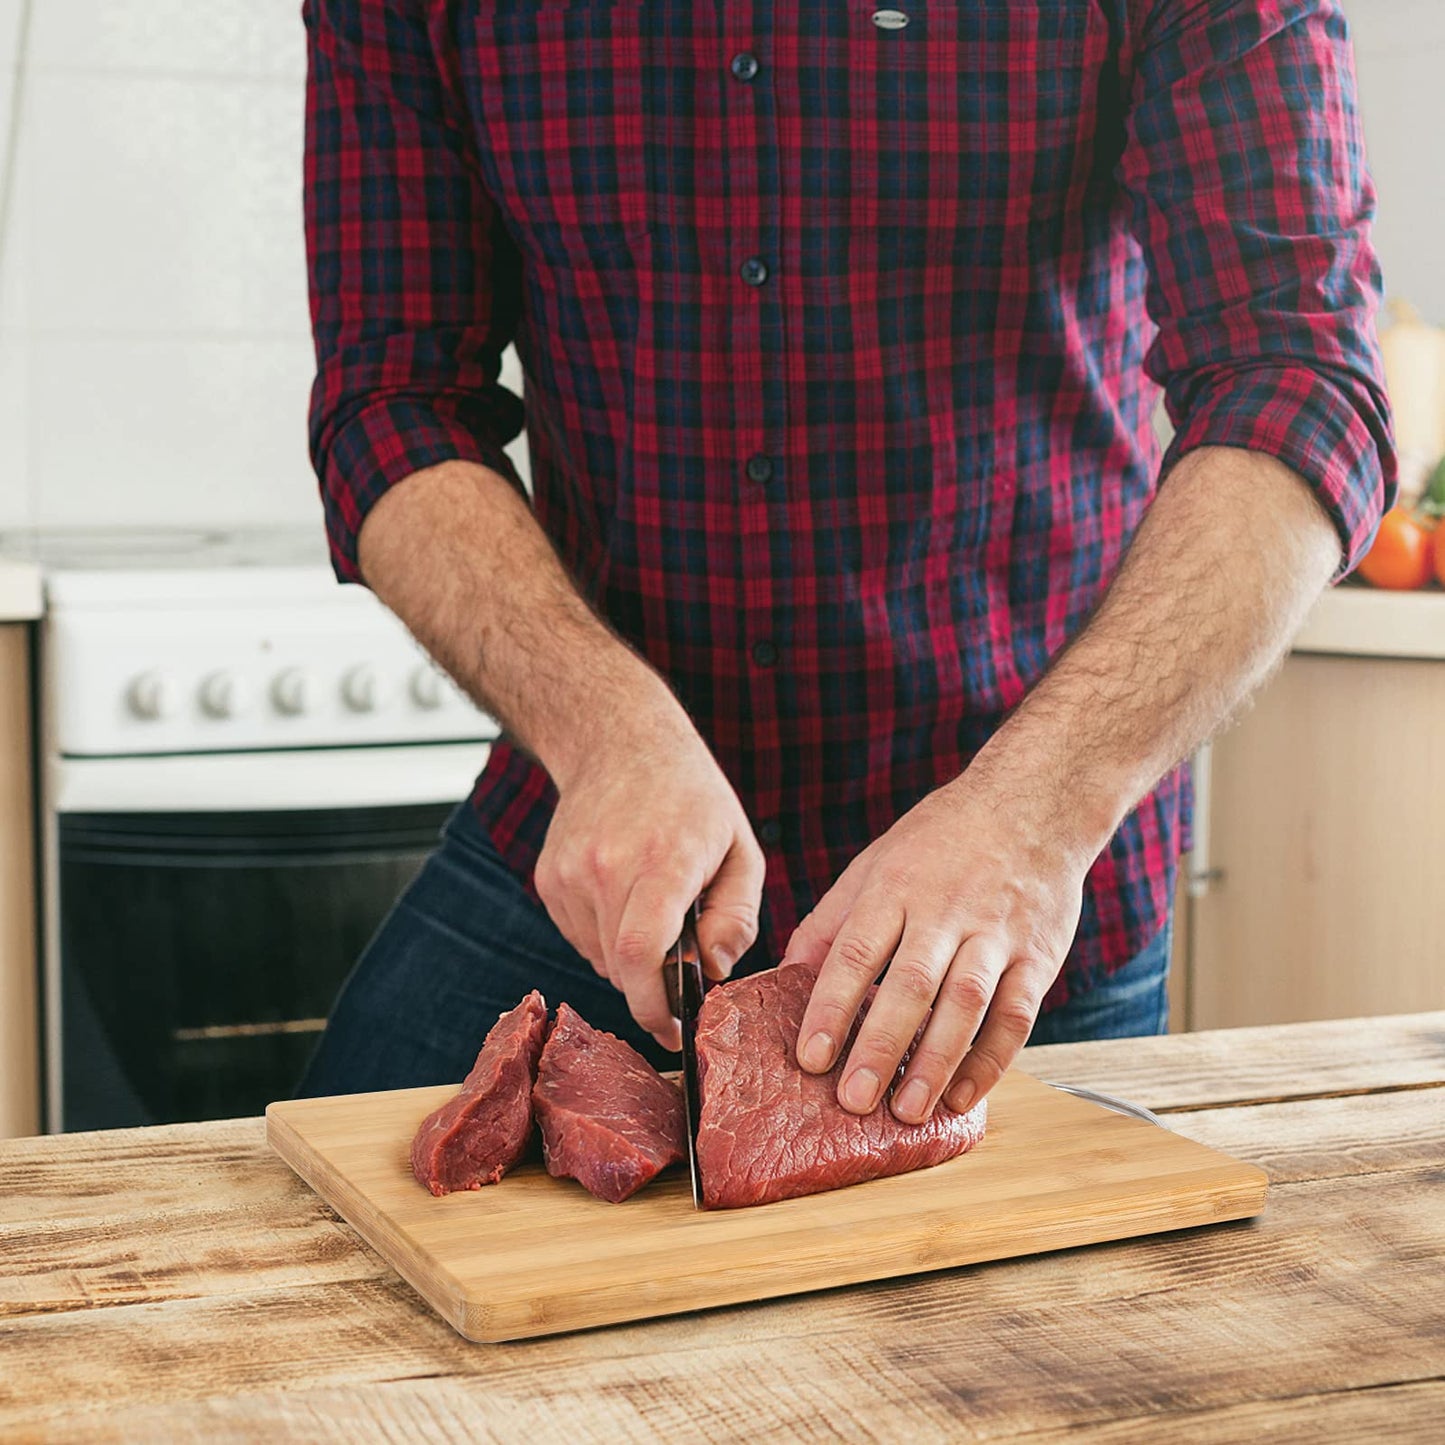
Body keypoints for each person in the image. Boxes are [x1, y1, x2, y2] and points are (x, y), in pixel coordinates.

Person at [295, 0, 1394, 1124]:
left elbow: (1297, 383)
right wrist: (601, 728)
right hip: (600, 847)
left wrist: (1029, 815)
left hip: (1008, 871)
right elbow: (395, 400)